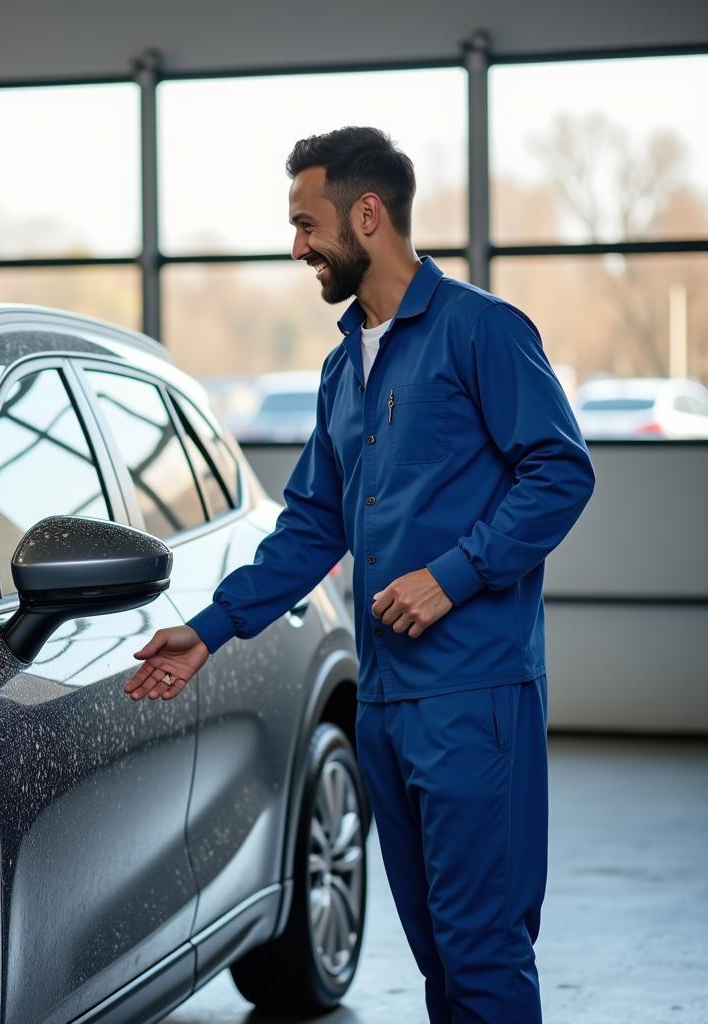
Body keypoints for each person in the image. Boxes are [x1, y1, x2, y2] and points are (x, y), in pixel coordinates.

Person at [124, 126, 595, 1023]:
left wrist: (451, 576)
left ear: (368, 215)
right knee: (436, 956)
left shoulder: (481, 332)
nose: (298, 247)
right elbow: (309, 526)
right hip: (384, 706)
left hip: (473, 698)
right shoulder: (345, 368)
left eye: (308, 224)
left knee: (484, 950)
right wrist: (210, 629)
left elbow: (561, 472)